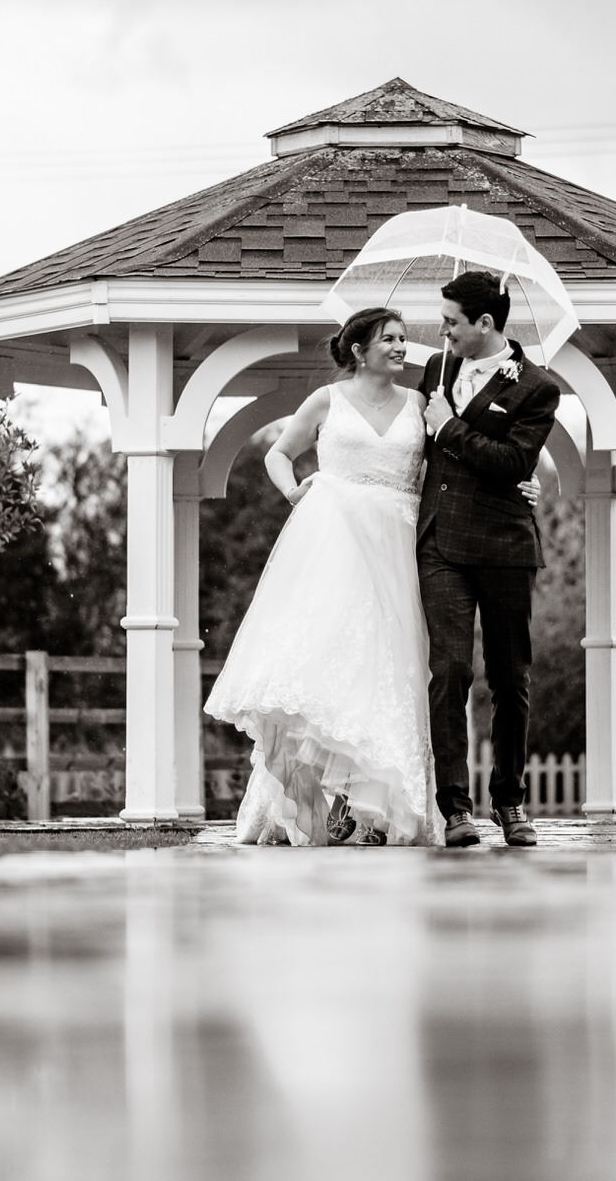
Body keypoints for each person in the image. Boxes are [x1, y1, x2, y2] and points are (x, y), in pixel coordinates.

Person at [205, 305, 545, 846]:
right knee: (331, 664)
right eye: (389, 339)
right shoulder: (327, 400)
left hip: (402, 546)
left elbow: (464, 461)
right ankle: (326, 797)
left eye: (404, 338)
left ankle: (376, 810)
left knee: (396, 669)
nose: (400, 346)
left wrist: (524, 484)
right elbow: (279, 454)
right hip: (335, 544)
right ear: (359, 350)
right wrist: (294, 490)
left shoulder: (423, 402)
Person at [417, 270, 562, 849]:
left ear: (485, 323)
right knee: (449, 671)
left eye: (452, 322)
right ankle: (455, 809)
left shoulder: (536, 387)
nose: (442, 330)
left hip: (504, 545)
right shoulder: (436, 368)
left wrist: (449, 427)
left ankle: (510, 803)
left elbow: (512, 461)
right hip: (440, 544)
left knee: (510, 678)